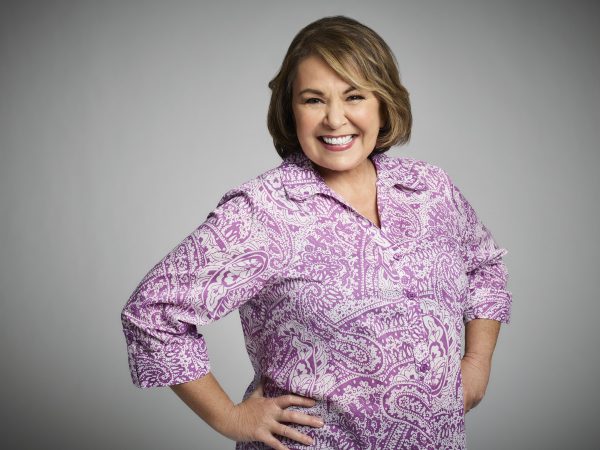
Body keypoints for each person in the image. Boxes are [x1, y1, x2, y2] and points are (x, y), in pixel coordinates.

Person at [120, 15, 512, 450]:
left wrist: (477, 362)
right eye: (313, 100)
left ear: (383, 103)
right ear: (291, 110)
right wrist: (229, 417)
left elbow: (484, 265)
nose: (334, 118)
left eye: (354, 96)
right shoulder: (263, 211)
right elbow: (153, 312)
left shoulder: (429, 189)